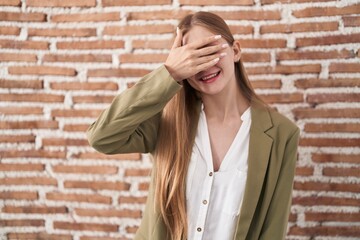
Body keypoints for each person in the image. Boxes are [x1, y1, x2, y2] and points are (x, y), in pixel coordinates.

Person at [87, 11, 300, 240]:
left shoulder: (281, 134)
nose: (205, 66)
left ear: (235, 51)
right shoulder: (167, 122)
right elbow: (101, 137)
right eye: (192, 58)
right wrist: (169, 73)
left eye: (211, 51)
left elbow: (272, 230)